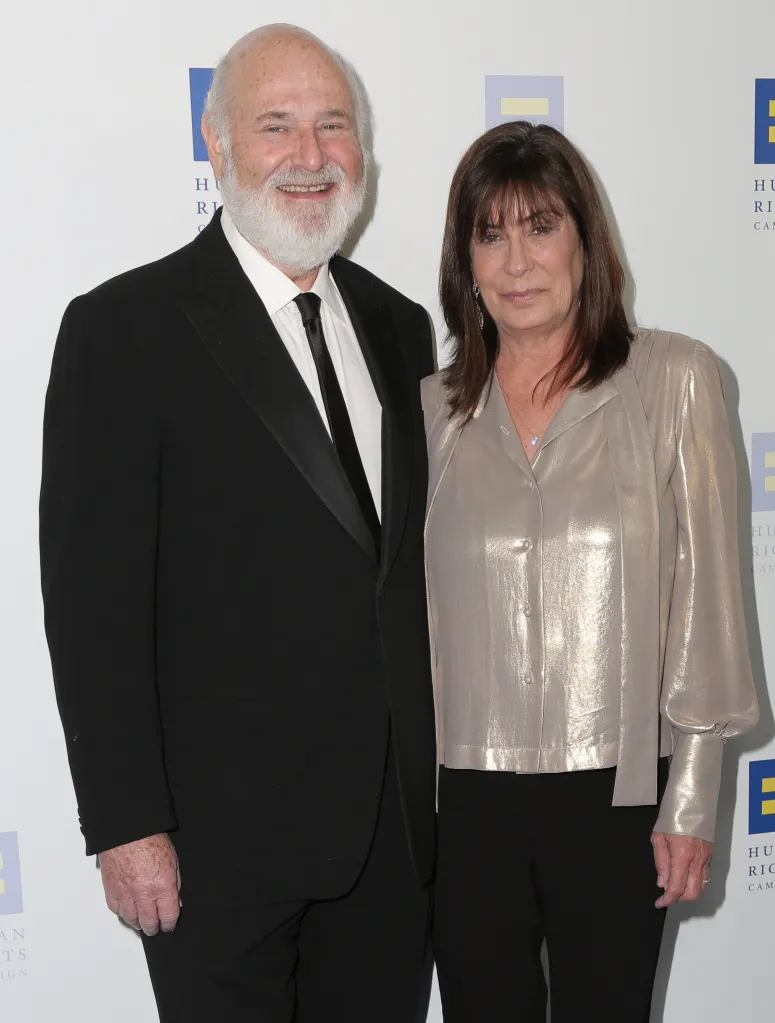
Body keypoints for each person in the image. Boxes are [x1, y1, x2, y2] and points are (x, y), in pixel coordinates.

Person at [39, 24, 436, 1023]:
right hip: (219, 855)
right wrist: (126, 825)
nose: (310, 156)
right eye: (277, 127)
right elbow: (93, 607)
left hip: (391, 842)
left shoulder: (402, 327)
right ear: (217, 148)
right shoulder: (125, 330)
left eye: (332, 126)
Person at [423, 120, 758, 1023]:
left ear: (585, 238)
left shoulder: (675, 380)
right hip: (465, 801)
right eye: (488, 234)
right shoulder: (431, 411)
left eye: (539, 225)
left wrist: (689, 793)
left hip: (619, 794)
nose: (516, 260)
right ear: (465, 262)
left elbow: (708, 605)